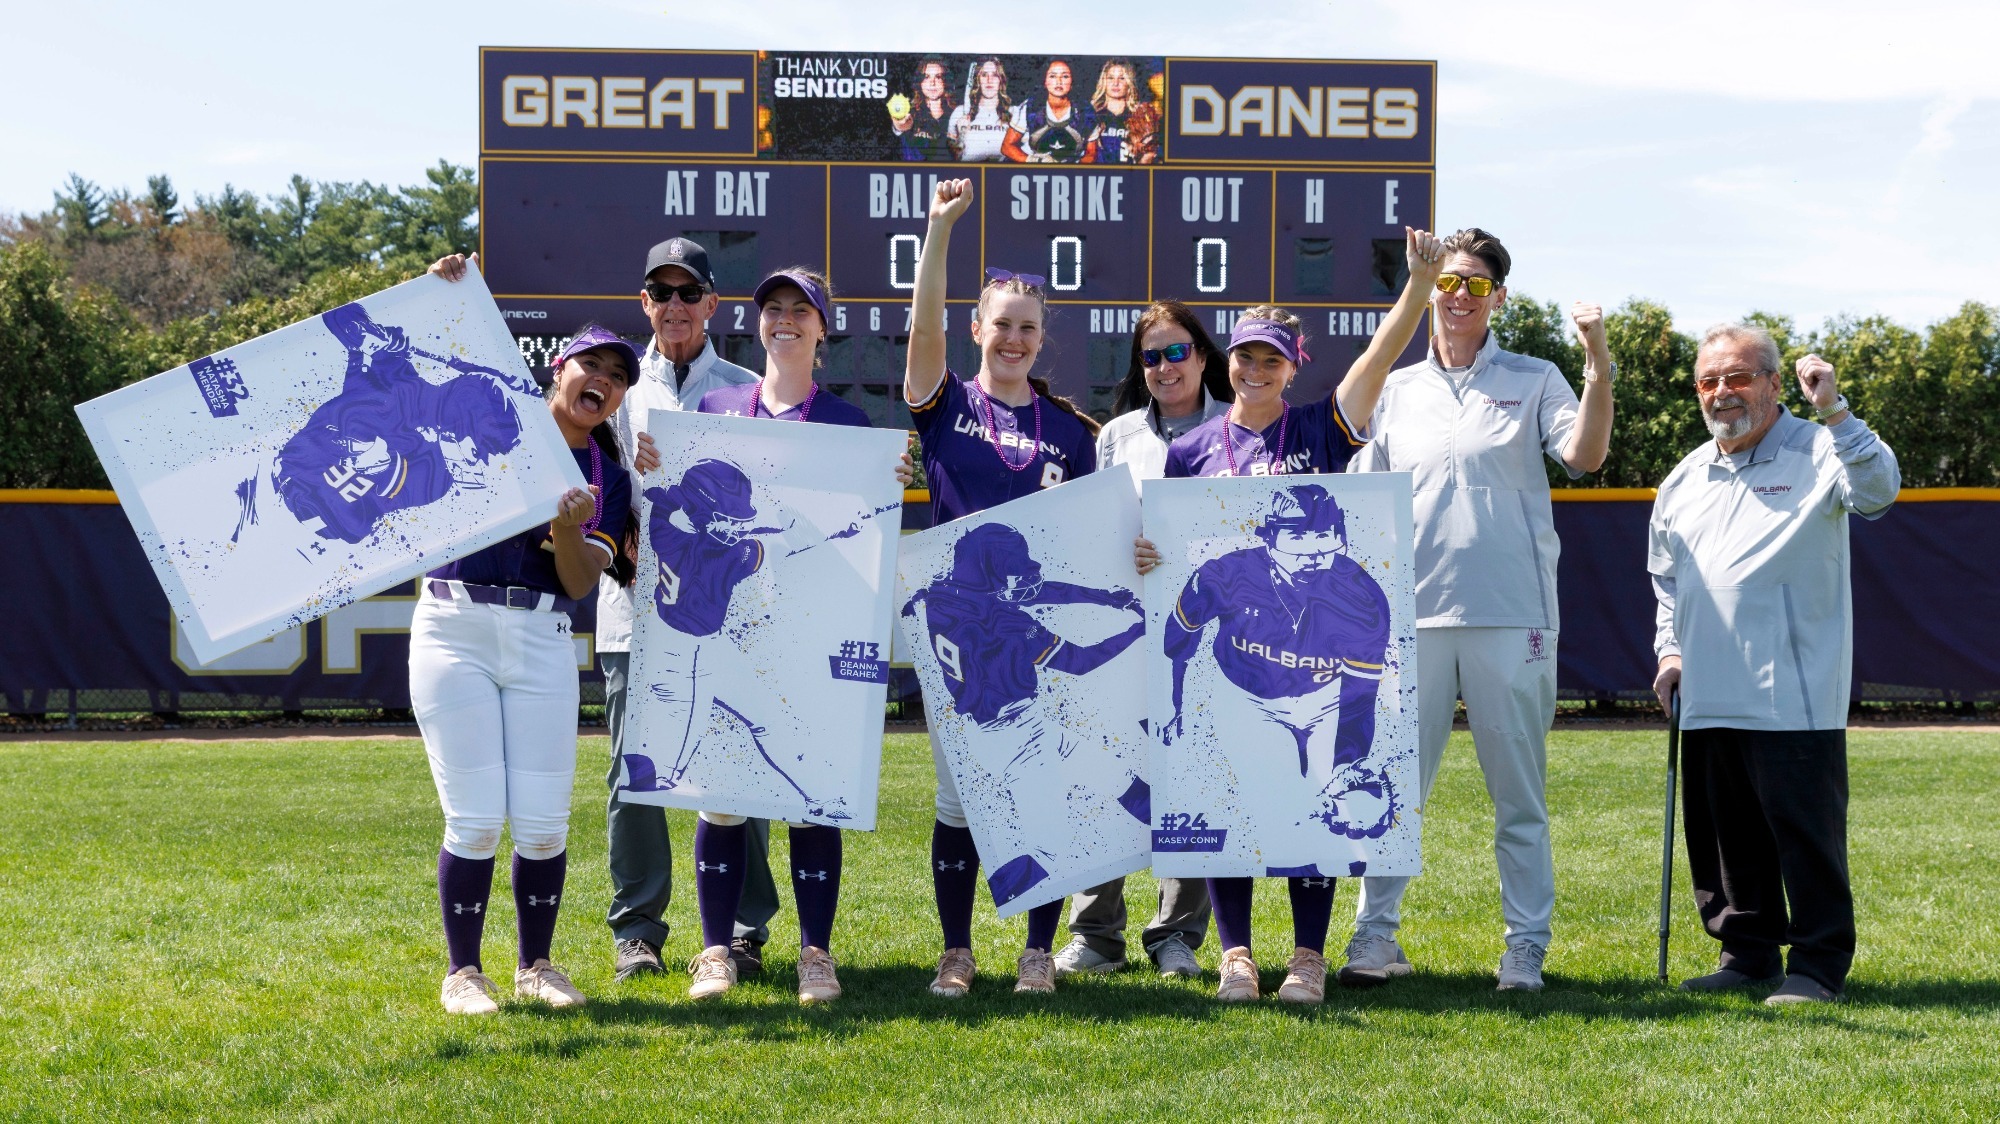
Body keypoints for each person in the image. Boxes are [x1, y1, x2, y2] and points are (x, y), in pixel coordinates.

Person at [1132, 233, 1442, 1004]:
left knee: (1318, 808)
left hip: (1321, 674)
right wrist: (1153, 554)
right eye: (1245, 357)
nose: (1256, 370)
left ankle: (1306, 957)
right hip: (1239, 672)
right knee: (1225, 796)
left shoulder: (1318, 431)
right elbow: (1178, 555)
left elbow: (1377, 356)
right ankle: (1237, 954)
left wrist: (1421, 284)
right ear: (1225, 361)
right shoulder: (1192, 448)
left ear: (1294, 365)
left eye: (1272, 359)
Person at [1341, 227, 1616, 994]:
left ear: (1499, 297)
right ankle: (1375, 937)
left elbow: (1587, 456)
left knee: (1517, 797)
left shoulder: (1535, 377)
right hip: (1410, 615)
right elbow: (1356, 450)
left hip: (1512, 614)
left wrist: (1597, 361)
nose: (1458, 297)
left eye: (1475, 286)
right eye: (1447, 283)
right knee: (1393, 787)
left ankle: (1524, 945)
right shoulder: (1398, 388)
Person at [668, 268, 914, 1005]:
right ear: (757, 323)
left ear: (822, 328)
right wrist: (657, 466)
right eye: (773, 309)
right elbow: (677, 498)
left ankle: (815, 953)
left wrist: (889, 481)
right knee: (721, 795)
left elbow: (865, 529)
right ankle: (714, 951)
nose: (785, 321)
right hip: (731, 625)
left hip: (813, 628)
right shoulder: (713, 408)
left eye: (800, 312)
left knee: (813, 792)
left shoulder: (849, 424)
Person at [1649, 330, 1898, 1005]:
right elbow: (1666, 580)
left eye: (1738, 377)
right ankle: (1747, 951)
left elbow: (1878, 492)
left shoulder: (1821, 449)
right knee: (1726, 838)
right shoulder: (1686, 476)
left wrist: (1837, 410)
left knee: (1804, 834)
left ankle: (1817, 966)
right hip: (1707, 686)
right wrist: (1669, 652)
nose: (1722, 393)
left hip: (1794, 688)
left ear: (1774, 384)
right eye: (1709, 381)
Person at [409, 281, 635, 1014]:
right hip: (455, 624)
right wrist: (448, 292)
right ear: (556, 369)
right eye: (589, 364)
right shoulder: (495, 418)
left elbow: (576, 583)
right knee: (474, 819)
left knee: (541, 824)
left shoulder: (607, 475)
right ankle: (463, 973)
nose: (601, 380)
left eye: (618, 375)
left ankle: (536, 965)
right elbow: (443, 367)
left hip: (541, 632)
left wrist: (568, 528)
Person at [905, 177, 1101, 996]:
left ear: (1040, 337)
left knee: (1042, 789)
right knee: (960, 800)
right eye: (1000, 325)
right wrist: (939, 231)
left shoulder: (1072, 431)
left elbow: (1091, 540)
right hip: (959, 628)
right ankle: (957, 949)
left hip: (1034, 635)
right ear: (976, 329)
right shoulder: (945, 405)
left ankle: (1034, 951)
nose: (1013, 339)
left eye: (1028, 328)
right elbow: (922, 329)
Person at [595, 237, 784, 985]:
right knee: (632, 776)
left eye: (687, 292)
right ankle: (638, 929)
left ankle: (742, 928)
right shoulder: (613, 390)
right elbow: (589, 493)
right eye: (659, 292)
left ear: (712, 303)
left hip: (727, 613)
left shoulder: (747, 387)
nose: (673, 305)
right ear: (644, 303)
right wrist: (623, 540)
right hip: (632, 612)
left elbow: (780, 495)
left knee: (737, 768)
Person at [1054, 301, 1231, 979]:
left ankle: (1176, 934)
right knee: (1106, 767)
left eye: (1176, 351)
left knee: (1191, 772)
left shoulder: (1234, 429)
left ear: (1204, 355)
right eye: (1151, 356)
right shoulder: (1118, 436)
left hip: (1204, 627)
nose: (1163, 367)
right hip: (1124, 622)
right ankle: (1096, 933)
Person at [1002, 58, 1094, 164]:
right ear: (1045, 81)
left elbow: (1091, 153)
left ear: (1072, 81)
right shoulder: (1030, 107)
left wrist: (1070, 167)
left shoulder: (1085, 110)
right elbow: (1007, 146)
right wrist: (1034, 160)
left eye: (1065, 76)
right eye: (1052, 76)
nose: (1059, 82)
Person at [1084, 59, 1158, 165]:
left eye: (1122, 78)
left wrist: (1147, 155)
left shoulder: (1139, 116)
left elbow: (1147, 159)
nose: (1116, 83)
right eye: (1110, 78)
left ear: (1129, 83)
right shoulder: (1091, 114)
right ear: (1103, 82)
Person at [889, 56, 958, 162]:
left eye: (938, 77)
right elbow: (899, 127)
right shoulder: (910, 112)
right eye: (926, 77)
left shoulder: (957, 114)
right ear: (920, 82)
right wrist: (900, 125)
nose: (932, 83)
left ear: (946, 81)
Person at [946, 58, 1011, 163]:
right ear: (978, 80)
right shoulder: (960, 112)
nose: (989, 80)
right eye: (984, 75)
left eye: (994, 75)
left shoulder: (1014, 114)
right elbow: (953, 158)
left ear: (1001, 80)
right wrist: (961, 136)